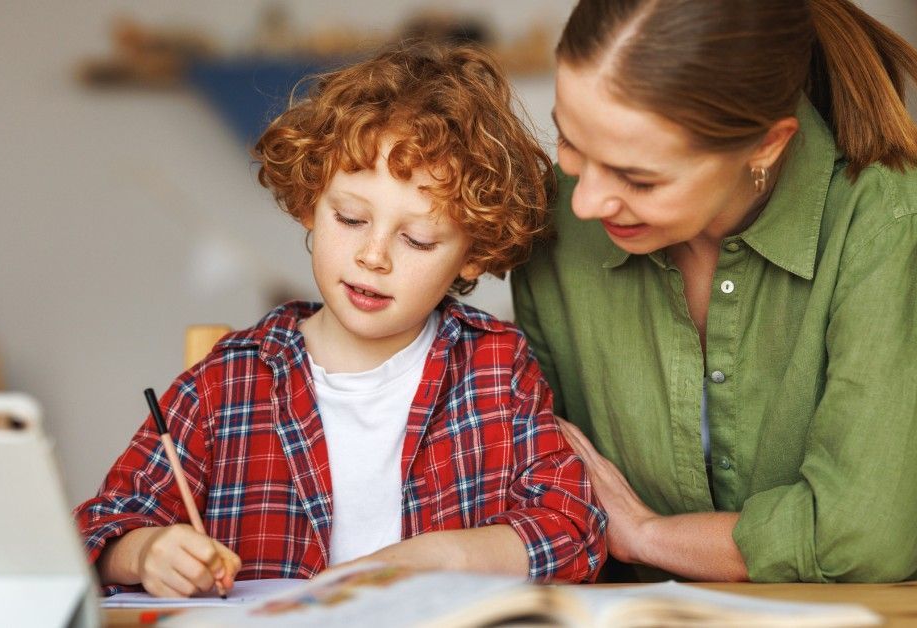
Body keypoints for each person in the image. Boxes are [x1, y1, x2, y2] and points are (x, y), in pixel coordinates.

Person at [511, 0, 917, 583]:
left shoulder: (885, 216)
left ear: (764, 144)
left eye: (639, 178)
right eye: (571, 141)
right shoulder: (554, 219)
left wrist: (645, 535)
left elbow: (864, 539)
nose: (584, 202)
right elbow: (544, 482)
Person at [75, 41, 606, 597]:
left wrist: (439, 555)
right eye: (351, 218)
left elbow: (573, 528)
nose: (373, 257)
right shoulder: (230, 379)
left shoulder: (495, 367)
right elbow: (98, 529)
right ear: (310, 202)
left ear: (473, 253)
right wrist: (146, 553)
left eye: (418, 240)